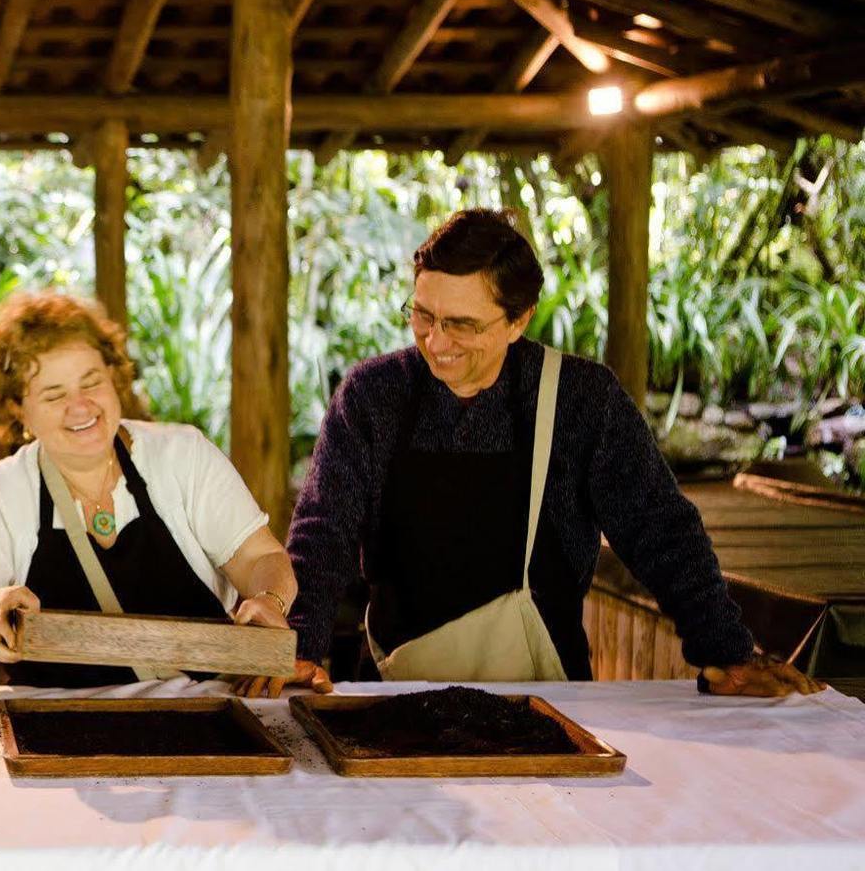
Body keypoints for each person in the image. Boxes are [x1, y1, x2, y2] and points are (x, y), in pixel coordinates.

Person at [242, 207, 816, 698]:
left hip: (547, 694)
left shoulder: (580, 398)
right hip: (396, 689)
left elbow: (659, 528)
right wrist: (302, 643)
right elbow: (324, 530)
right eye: (422, 315)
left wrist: (727, 651)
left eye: (461, 325)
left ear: (518, 319)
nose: (435, 343)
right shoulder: (374, 394)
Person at [0, 290, 296, 685]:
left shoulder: (182, 456)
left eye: (92, 382)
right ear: (17, 410)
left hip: (202, 713)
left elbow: (260, 556)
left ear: (115, 377)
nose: (81, 406)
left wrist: (268, 600)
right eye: (54, 394)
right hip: (44, 726)